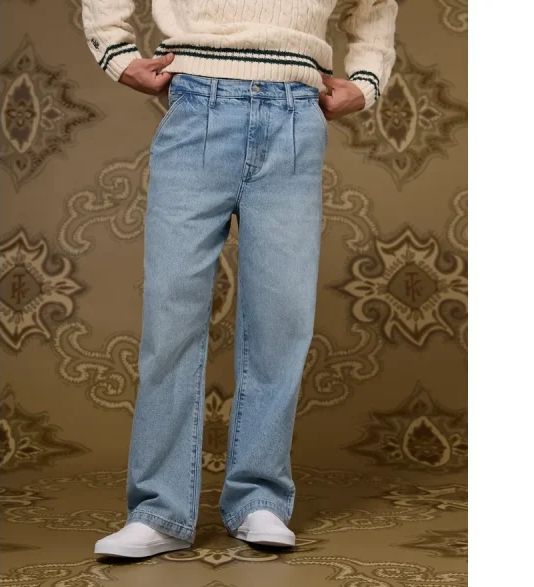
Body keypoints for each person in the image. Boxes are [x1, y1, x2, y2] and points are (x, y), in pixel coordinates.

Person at [81, 0, 397, 558]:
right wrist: (116, 52)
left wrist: (367, 81)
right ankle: (158, 510)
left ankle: (259, 499)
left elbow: (373, 7)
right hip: (197, 102)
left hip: (296, 113)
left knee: (282, 320)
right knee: (171, 319)